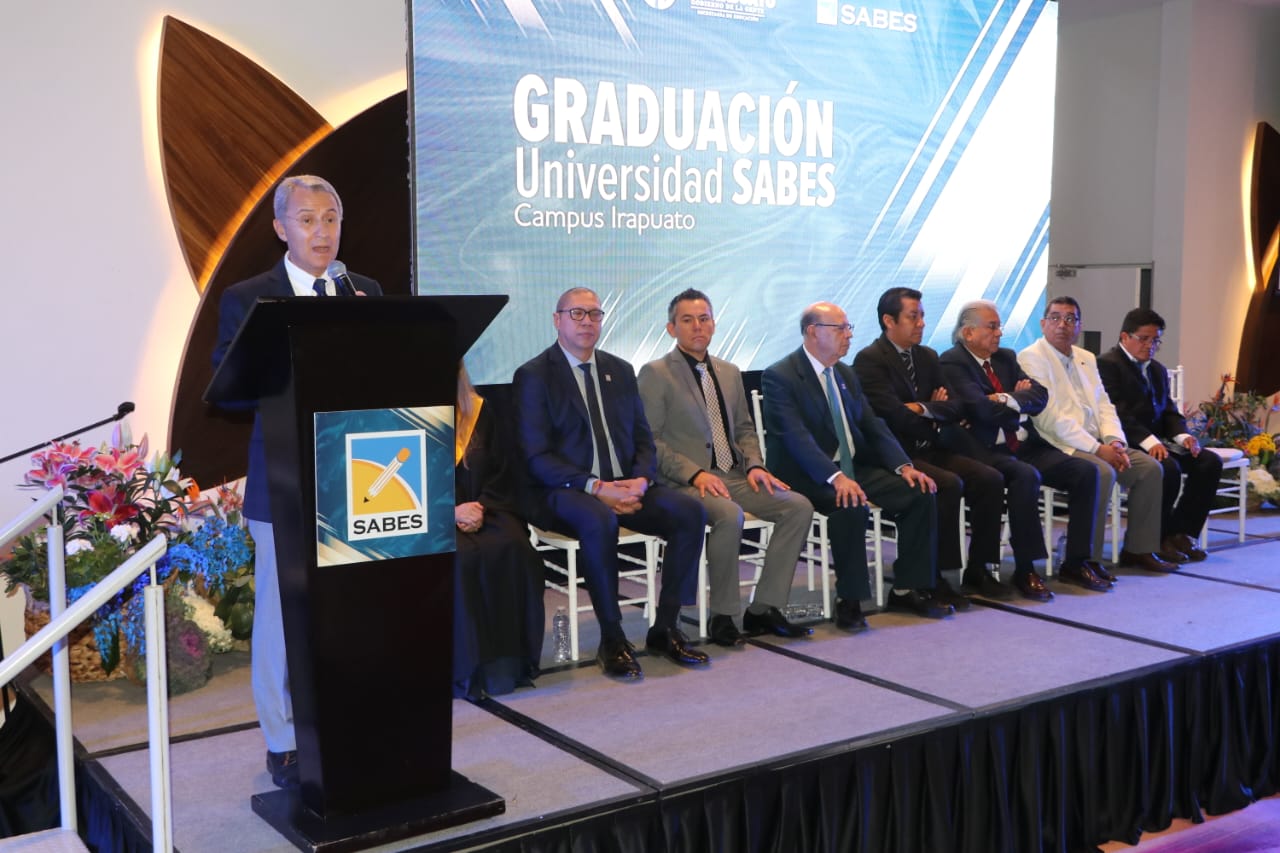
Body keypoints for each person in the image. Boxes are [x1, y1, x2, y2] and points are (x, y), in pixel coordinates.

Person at [211, 175, 381, 789]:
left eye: (331, 218)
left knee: (349, 610)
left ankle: (348, 720)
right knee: (282, 620)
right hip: (283, 480)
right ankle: (282, 740)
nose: (322, 231)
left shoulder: (363, 291)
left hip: (355, 479)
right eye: (307, 220)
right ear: (281, 228)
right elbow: (227, 388)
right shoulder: (250, 297)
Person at [513, 287, 710, 680]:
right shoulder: (534, 375)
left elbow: (643, 438)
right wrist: (596, 488)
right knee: (599, 520)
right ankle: (612, 638)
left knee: (690, 511)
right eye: (577, 314)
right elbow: (536, 457)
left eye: (594, 314)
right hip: (564, 490)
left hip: (625, 485)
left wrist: (641, 480)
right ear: (557, 320)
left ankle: (665, 627)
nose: (587, 322)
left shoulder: (619, 370)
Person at [637, 288, 815, 647]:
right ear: (672, 328)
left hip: (733, 475)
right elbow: (650, 440)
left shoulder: (730, 372)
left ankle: (764, 608)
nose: (697, 327)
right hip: (686, 481)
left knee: (798, 506)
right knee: (729, 515)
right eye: (687, 320)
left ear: (714, 324)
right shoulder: (656, 373)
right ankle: (724, 615)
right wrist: (695, 473)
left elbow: (745, 430)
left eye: (704, 319)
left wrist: (754, 465)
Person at [760, 302, 950, 632]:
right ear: (813, 332)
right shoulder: (781, 375)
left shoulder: (845, 373)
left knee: (919, 491)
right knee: (850, 503)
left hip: (852, 467)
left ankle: (907, 588)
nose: (849, 335)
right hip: (806, 473)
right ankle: (850, 599)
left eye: (849, 328)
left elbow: (872, 424)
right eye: (840, 328)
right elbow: (795, 437)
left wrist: (903, 466)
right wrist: (835, 477)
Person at [940, 300, 1101, 601]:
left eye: (999, 326)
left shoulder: (1005, 357)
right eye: (992, 327)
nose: (999, 333)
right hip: (984, 449)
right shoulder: (952, 362)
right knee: (1024, 476)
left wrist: (1003, 398)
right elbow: (979, 409)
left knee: (1085, 471)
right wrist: (1016, 400)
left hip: (1023, 444)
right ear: (968, 332)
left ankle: (1076, 561)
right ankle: (1025, 568)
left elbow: (1040, 396)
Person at [852, 287, 1000, 606]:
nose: (921, 323)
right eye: (913, 316)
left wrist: (921, 408)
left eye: (922, 316)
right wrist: (932, 411)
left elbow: (956, 406)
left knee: (989, 478)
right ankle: (934, 575)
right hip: (895, 454)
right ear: (889, 320)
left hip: (930, 447)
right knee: (946, 484)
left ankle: (979, 568)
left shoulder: (928, 356)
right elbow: (891, 415)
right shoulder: (869, 360)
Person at [1018, 296, 1178, 573]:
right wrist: (1097, 449)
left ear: (1079, 326)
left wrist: (1115, 442)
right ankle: (1084, 559)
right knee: (1102, 471)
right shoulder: (1031, 357)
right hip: (1058, 444)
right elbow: (1051, 418)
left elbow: (1105, 405)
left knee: (1150, 469)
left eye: (1070, 319)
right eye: (1055, 318)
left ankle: (1138, 549)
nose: (1063, 325)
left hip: (1099, 442)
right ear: (1043, 324)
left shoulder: (1086, 357)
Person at [1097, 307, 1218, 561]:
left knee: (1208, 462)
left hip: (1157, 443)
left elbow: (1169, 412)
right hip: (1124, 441)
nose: (1150, 346)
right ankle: (1154, 540)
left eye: (1156, 341)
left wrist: (1184, 437)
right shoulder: (1107, 364)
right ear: (1124, 336)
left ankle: (1180, 534)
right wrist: (1150, 442)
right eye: (1144, 339)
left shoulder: (1157, 370)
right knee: (1168, 468)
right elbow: (1117, 413)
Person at [453, 362, 544, 698]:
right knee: (460, 558)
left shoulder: (479, 411)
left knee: (513, 547)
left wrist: (480, 507)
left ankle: (505, 667)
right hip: (432, 517)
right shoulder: (402, 416)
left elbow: (501, 471)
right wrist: (450, 511)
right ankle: (466, 671)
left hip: (485, 506)